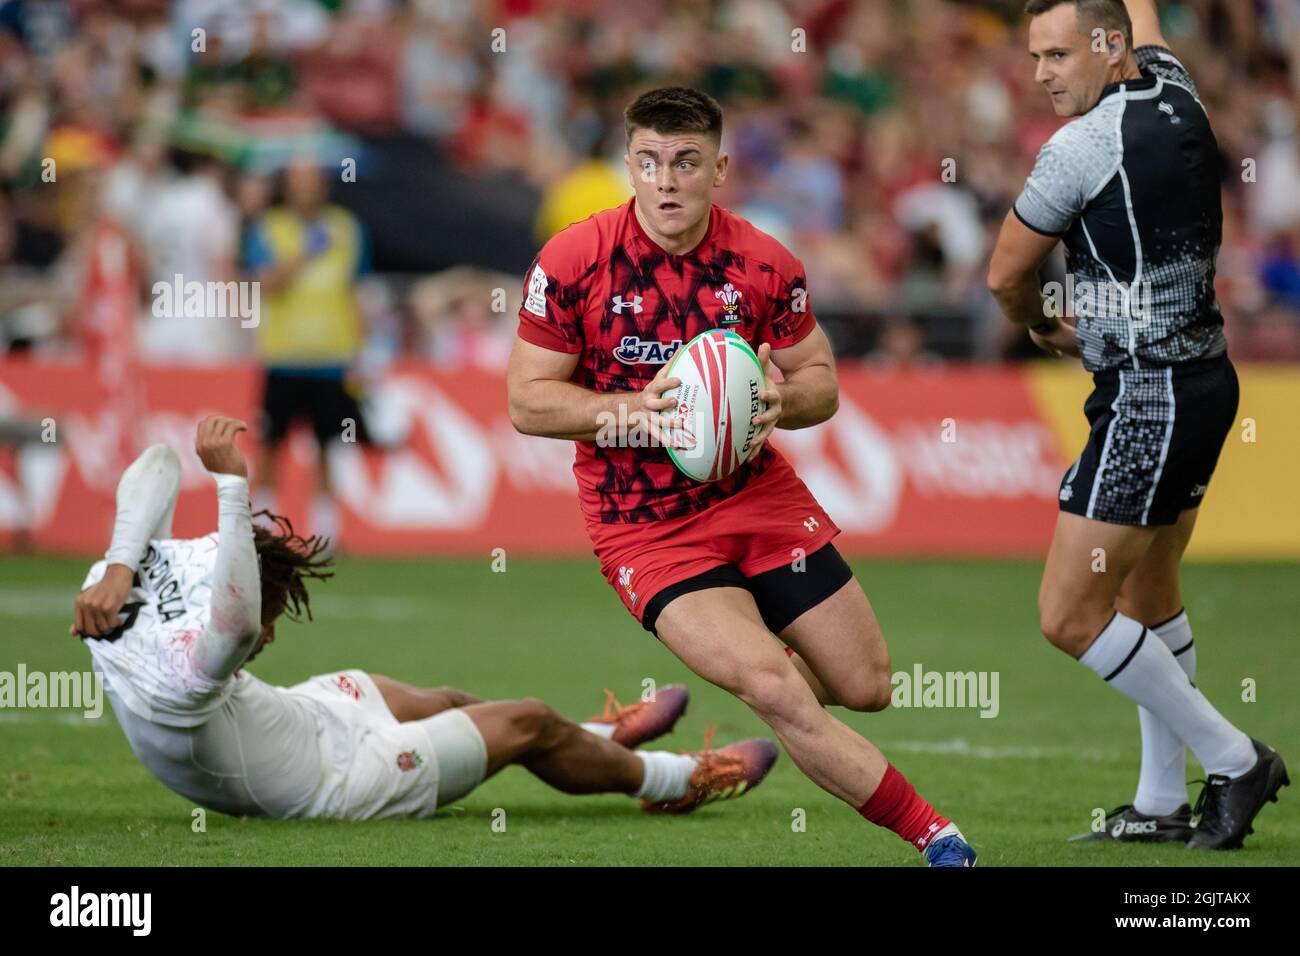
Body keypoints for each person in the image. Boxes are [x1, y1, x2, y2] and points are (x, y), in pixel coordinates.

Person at [506, 86, 976, 866]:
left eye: (686, 162)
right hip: (646, 526)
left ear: (719, 169)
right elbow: (527, 403)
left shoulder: (762, 263)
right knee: (780, 689)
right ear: (628, 165)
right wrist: (635, 411)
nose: (666, 180)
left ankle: (762, 679)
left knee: (865, 686)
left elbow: (821, 378)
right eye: (650, 161)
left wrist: (782, 399)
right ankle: (939, 838)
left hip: (756, 494)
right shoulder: (574, 259)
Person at [70, 417, 777, 821]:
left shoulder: (115, 588)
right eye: (271, 616)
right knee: (525, 719)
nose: (270, 632)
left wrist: (122, 563)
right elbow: (234, 626)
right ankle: (669, 780)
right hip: (341, 784)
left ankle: (596, 739)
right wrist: (231, 484)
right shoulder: (186, 670)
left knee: (450, 702)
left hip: (298, 716)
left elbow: (156, 464)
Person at [987, 0, 1287, 848]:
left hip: (1145, 399)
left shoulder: (1080, 144)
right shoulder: (1177, 88)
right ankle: (1161, 804)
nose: (1041, 73)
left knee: (1067, 614)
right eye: (1034, 55)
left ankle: (1235, 759)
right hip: (1204, 381)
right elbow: (1146, 20)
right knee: (1147, 592)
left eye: (1056, 54)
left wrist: (1036, 322)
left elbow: (1005, 273)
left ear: (1109, 46)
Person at [243, 160, 370, 548]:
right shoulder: (270, 228)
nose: (306, 189)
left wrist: (363, 350)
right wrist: (303, 253)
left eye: (312, 182)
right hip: (284, 355)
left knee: (329, 444)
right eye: (299, 182)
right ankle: (260, 531)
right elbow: (266, 285)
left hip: (333, 356)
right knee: (271, 445)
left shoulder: (347, 228)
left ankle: (327, 534)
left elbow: (355, 291)